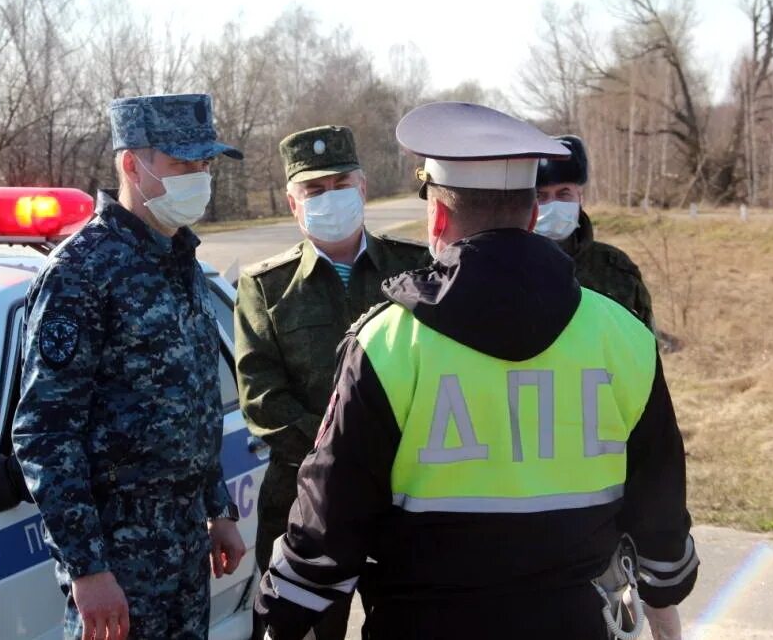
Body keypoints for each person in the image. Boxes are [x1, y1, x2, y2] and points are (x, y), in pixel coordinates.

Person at [255, 102, 697, 640]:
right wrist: (664, 588)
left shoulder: (389, 343)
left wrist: (284, 611)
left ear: (438, 218)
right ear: (532, 216)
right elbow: (661, 515)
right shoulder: (624, 337)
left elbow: (328, 523)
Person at [13, 93, 246, 640]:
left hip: (185, 545)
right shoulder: (80, 273)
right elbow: (45, 431)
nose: (199, 175)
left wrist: (218, 509)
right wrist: (87, 567)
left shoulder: (179, 259)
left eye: (205, 163)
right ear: (130, 165)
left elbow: (193, 401)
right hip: (117, 554)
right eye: (182, 163)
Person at [234, 125, 428, 639]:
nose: (329, 198)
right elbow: (262, 398)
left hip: (404, 500)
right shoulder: (265, 286)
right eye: (313, 190)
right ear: (292, 204)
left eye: (340, 184)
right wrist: (341, 459)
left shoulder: (415, 269)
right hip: (307, 504)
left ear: (362, 189)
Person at [535, 134, 655, 329]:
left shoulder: (615, 269)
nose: (552, 204)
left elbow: (646, 344)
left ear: (580, 198)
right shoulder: (507, 268)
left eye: (563, 193)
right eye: (541, 196)